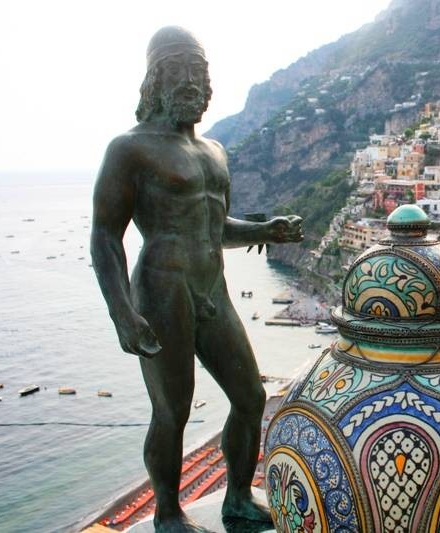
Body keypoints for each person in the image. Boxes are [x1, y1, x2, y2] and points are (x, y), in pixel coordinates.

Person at [91, 26, 302, 532]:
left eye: (199, 71)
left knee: (250, 398)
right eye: (178, 70)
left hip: (213, 290)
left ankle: (238, 499)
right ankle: (167, 513)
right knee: (172, 411)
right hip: (162, 291)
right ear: (155, 80)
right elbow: (104, 236)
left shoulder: (215, 151)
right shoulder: (130, 149)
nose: (191, 81)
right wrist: (123, 313)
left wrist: (266, 230)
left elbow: (214, 226)